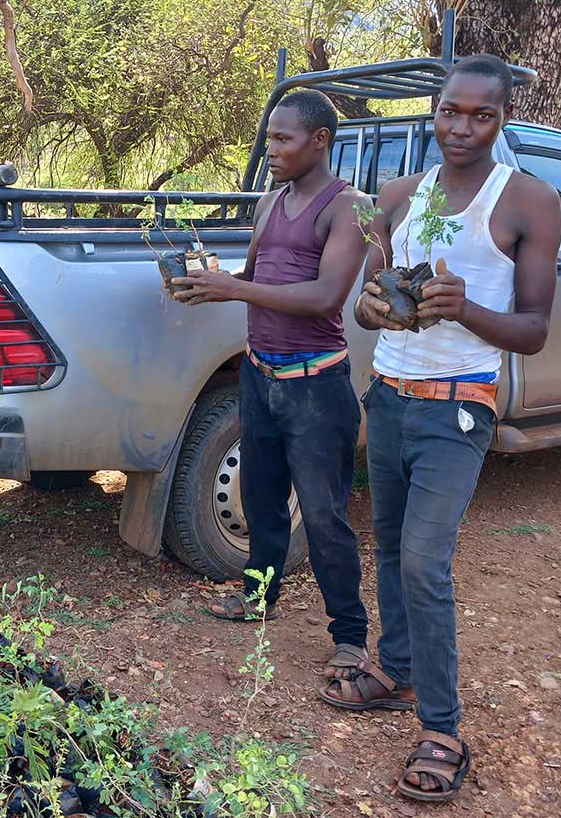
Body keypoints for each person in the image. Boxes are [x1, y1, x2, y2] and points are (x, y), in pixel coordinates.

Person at [321, 55, 561, 803]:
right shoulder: (394, 196)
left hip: (459, 406)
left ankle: (444, 728)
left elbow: (532, 331)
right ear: (436, 110)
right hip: (389, 395)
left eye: (481, 115)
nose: (462, 127)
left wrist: (463, 308)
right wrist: (379, 309)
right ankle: (393, 670)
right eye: (451, 111)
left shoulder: (528, 201)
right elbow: (365, 299)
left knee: (425, 563)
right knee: (389, 546)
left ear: (502, 120)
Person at [171, 89, 377, 682]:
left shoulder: (351, 208)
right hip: (262, 376)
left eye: (284, 139)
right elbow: (256, 277)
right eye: (269, 138)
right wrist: (209, 284)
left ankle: (350, 636)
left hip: (317, 387)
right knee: (262, 501)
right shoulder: (269, 202)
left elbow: (324, 298)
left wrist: (234, 291)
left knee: (323, 516)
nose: (271, 150)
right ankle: (258, 599)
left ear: (320, 140)